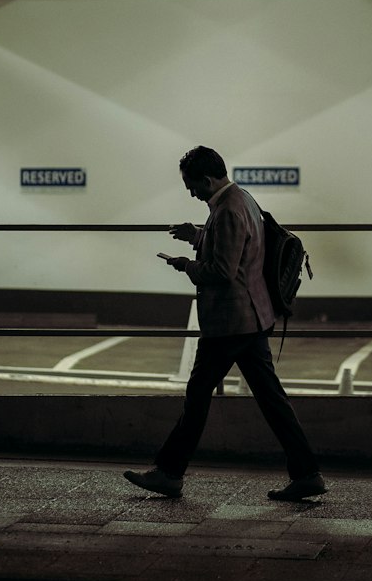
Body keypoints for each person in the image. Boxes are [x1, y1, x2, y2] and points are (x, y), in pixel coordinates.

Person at [124, 145, 326, 501]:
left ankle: (169, 473)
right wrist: (198, 235)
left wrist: (186, 265)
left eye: (192, 185)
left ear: (207, 179)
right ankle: (307, 473)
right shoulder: (241, 198)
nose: (190, 192)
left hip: (232, 321)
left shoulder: (227, 209)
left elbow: (222, 269)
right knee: (271, 399)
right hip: (254, 316)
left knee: (198, 394)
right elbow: (237, 247)